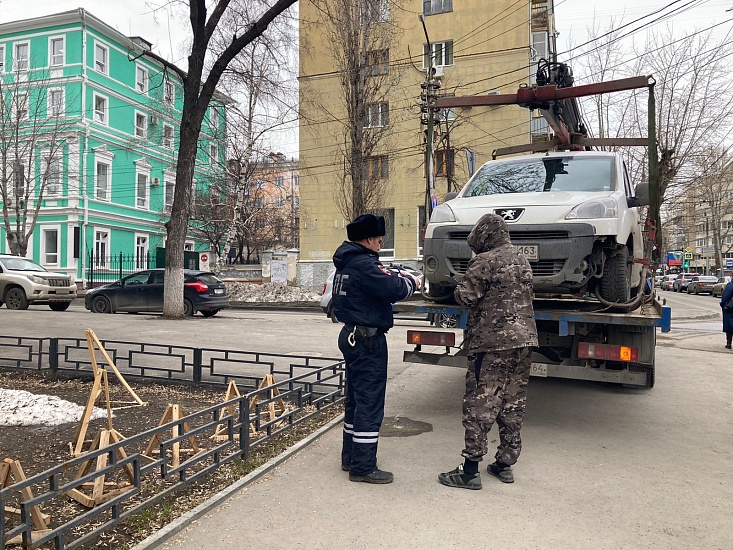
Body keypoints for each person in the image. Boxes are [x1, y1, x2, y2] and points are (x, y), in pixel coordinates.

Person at [438, 213, 539, 490]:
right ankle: (504, 464)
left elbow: (467, 296)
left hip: (492, 343)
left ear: (484, 235)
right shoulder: (522, 259)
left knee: (480, 403)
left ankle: (469, 471)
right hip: (525, 340)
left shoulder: (484, 260)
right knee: (512, 402)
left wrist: (455, 287)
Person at [332, 214, 417, 484]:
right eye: (379, 241)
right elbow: (395, 288)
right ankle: (363, 467)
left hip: (352, 335)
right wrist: (413, 281)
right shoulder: (365, 265)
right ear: (368, 240)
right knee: (369, 403)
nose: (381, 245)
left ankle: (351, 457)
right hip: (368, 340)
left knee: (356, 401)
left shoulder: (347, 262)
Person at [720, 271, 733, 349]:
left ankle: (729, 343)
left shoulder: (731, 285)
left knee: (729, 326)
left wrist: (722, 304)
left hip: (730, 308)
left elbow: (725, 296)